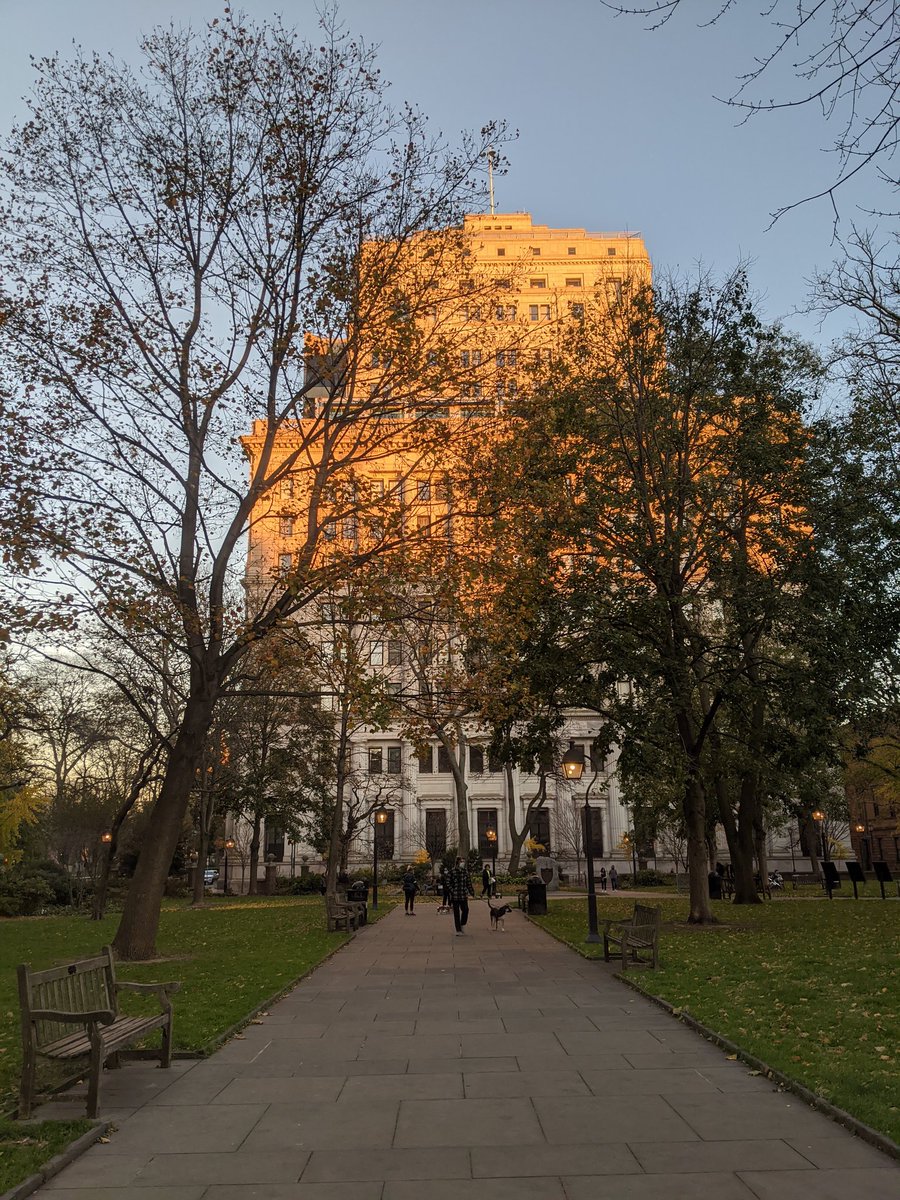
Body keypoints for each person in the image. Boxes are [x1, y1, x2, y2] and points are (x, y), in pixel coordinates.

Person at [446, 856, 474, 935]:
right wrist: (452, 890)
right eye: (462, 861)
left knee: (466, 910)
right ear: (458, 862)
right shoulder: (452, 871)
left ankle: (462, 924)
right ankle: (458, 929)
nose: (463, 863)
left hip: (463, 895)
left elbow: (468, 883)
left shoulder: (465, 872)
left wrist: (472, 892)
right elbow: (447, 883)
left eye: (463, 861)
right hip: (455, 896)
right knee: (456, 913)